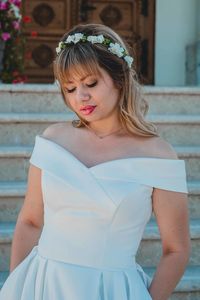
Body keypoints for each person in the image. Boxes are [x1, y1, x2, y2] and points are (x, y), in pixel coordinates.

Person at [0, 23, 190, 300]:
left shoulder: (159, 156)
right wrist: (17, 286)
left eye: (90, 83)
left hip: (109, 290)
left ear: (119, 78)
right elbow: (29, 221)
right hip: (41, 284)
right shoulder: (53, 140)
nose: (81, 97)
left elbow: (177, 249)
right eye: (69, 88)